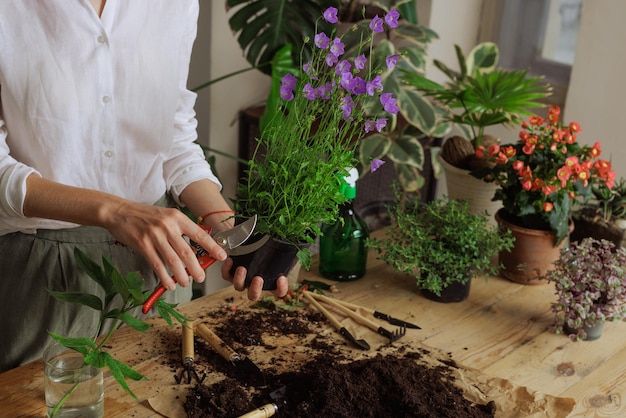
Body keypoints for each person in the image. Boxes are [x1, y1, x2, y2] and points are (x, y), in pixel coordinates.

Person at [0, 0, 287, 372]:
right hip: (47, 276)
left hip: (160, 270)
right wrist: (115, 211)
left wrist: (223, 227)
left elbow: (173, 139)